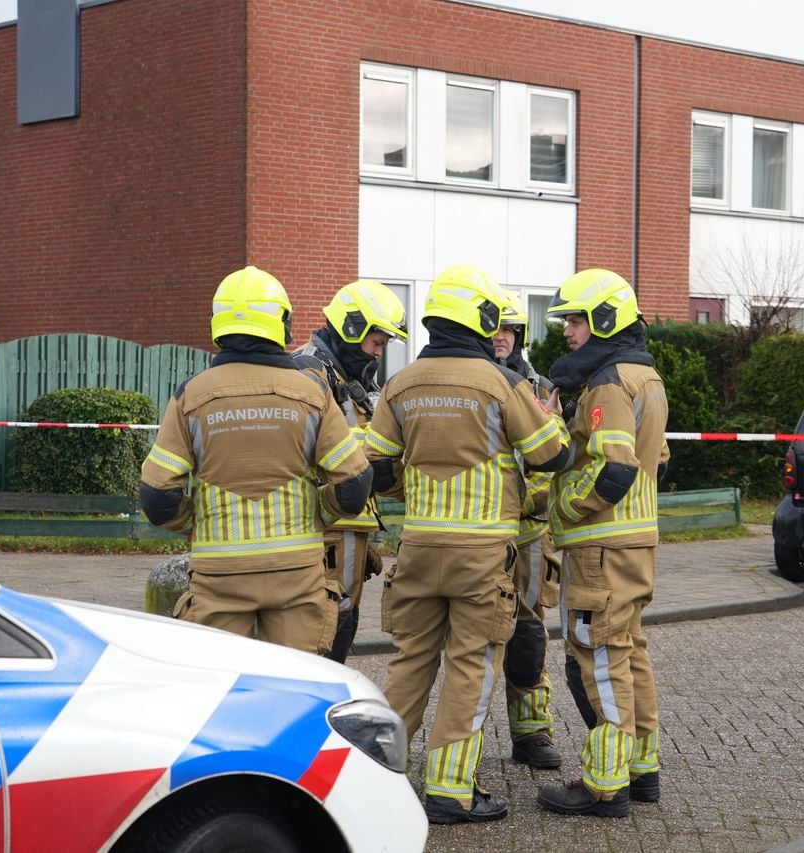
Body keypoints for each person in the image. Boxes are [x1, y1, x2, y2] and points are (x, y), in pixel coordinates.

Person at [365, 265, 569, 825]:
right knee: (471, 667)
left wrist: (421, 483)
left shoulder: (401, 382)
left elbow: (375, 469)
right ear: (478, 318)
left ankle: (373, 781)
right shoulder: (500, 382)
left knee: (408, 664)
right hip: (480, 557)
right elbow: (552, 454)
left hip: (418, 550)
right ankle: (452, 792)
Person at [139, 265, 372, 654]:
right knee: (297, 686)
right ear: (282, 323)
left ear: (219, 323)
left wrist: (197, 523)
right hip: (297, 573)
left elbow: (157, 497)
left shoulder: (190, 396)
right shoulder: (310, 392)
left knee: (224, 687)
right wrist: (320, 512)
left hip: (220, 576)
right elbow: (354, 485)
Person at [535, 268, 669, 819]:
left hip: (600, 548)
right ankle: (642, 770)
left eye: (575, 320)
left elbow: (615, 468)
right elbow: (656, 457)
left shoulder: (609, 382)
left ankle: (604, 785)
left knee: (598, 662)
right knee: (630, 655)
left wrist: (560, 507)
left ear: (605, 320)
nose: (567, 331)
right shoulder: (647, 377)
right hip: (634, 543)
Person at [292, 279, 408, 663]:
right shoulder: (309, 371)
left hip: (346, 527)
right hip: (326, 528)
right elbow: (320, 451)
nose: (377, 355)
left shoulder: (343, 375)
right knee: (328, 629)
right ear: (352, 327)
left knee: (342, 622)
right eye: (376, 343)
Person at [491, 293, 564, 769]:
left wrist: (532, 500)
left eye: (509, 331)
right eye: (493, 330)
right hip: (479, 533)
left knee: (528, 636)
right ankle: (459, 744)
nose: (500, 338)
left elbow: (553, 455)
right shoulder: (469, 381)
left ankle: (532, 735)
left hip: (530, 535)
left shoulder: (540, 386)